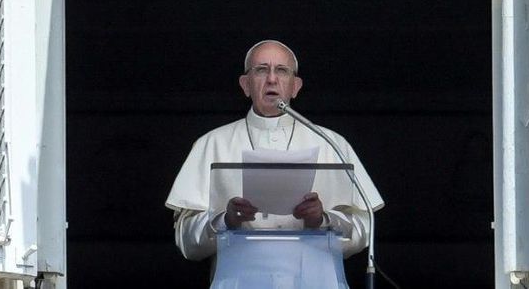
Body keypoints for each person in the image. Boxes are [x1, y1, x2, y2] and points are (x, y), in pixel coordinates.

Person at [165, 40, 384, 261]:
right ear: (245, 85)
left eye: (282, 70)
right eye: (261, 70)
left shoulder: (331, 142)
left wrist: (321, 220)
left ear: (295, 86)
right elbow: (185, 240)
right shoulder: (212, 144)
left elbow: (364, 229)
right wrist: (226, 221)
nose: (272, 78)